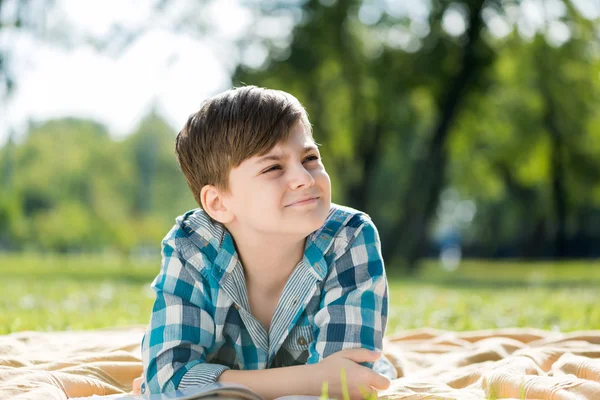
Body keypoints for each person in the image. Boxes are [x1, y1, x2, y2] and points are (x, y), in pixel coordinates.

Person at [138, 86, 396, 399]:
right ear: (219, 203)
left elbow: (349, 381)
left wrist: (207, 383)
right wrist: (314, 378)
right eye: (273, 167)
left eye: (310, 157)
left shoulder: (348, 236)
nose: (304, 177)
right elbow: (166, 379)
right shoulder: (192, 246)